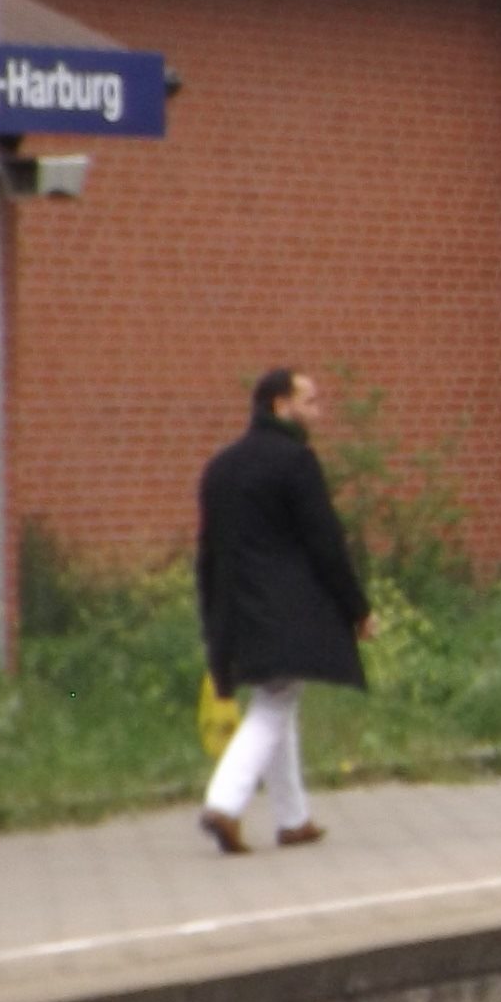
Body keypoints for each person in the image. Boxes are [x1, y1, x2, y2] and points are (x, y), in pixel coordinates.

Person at [193, 366, 372, 854]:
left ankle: (293, 819)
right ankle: (224, 804)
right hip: (283, 608)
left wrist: (211, 612)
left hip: (234, 605)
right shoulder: (295, 462)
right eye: (309, 401)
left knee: (277, 699)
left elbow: (208, 550)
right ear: (280, 405)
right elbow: (325, 541)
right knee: (274, 704)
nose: (319, 411)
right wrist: (357, 607)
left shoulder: (221, 466)